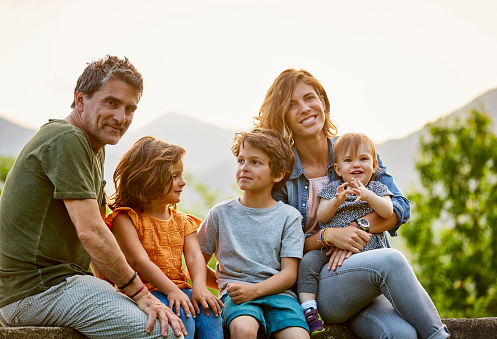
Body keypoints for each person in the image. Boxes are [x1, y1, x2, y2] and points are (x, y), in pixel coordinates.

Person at [254, 68, 449, 339]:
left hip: (366, 277)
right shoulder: (281, 174)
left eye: (310, 98)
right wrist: (329, 236)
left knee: (402, 335)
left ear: (322, 101)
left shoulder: (354, 151)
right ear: (282, 115)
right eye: (291, 105)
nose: (305, 108)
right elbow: (279, 244)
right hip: (319, 283)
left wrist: (357, 229)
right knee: (392, 260)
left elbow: (400, 208)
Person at [0, 55, 186, 338]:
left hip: (59, 284)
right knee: (166, 332)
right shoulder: (67, 138)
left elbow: (101, 232)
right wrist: (140, 295)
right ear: (81, 100)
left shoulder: (92, 148)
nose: (121, 117)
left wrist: (114, 292)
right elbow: (92, 233)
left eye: (130, 109)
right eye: (111, 102)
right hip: (35, 290)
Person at [105, 136, 224, 339]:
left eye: (181, 174)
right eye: (174, 176)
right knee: (180, 315)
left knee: (210, 312)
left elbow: (195, 258)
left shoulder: (182, 221)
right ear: (149, 179)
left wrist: (200, 288)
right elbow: (139, 260)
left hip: (181, 290)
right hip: (145, 293)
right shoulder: (126, 219)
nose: (182, 182)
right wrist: (171, 291)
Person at [198, 128, 310, 339]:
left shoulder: (289, 217)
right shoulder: (220, 214)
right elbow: (195, 264)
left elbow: (289, 274)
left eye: (255, 162)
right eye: (241, 161)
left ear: (277, 174)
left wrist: (255, 290)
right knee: (243, 329)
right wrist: (225, 286)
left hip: (281, 297)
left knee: (298, 336)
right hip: (239, 300)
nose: (244, 168)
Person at [297, 132, 394, 334]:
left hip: (366, 247)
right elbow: (322, 217)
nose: (356, 165)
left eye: (363, 159)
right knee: (307, 264)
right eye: (349, 161)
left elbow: (388, 212)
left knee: (384, 268)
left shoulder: (377, 187)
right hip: (329, 248)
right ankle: (309, 309)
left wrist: (369, 196)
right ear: (338, 169)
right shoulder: (334, 189)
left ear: (375, 166)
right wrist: (335, 202)